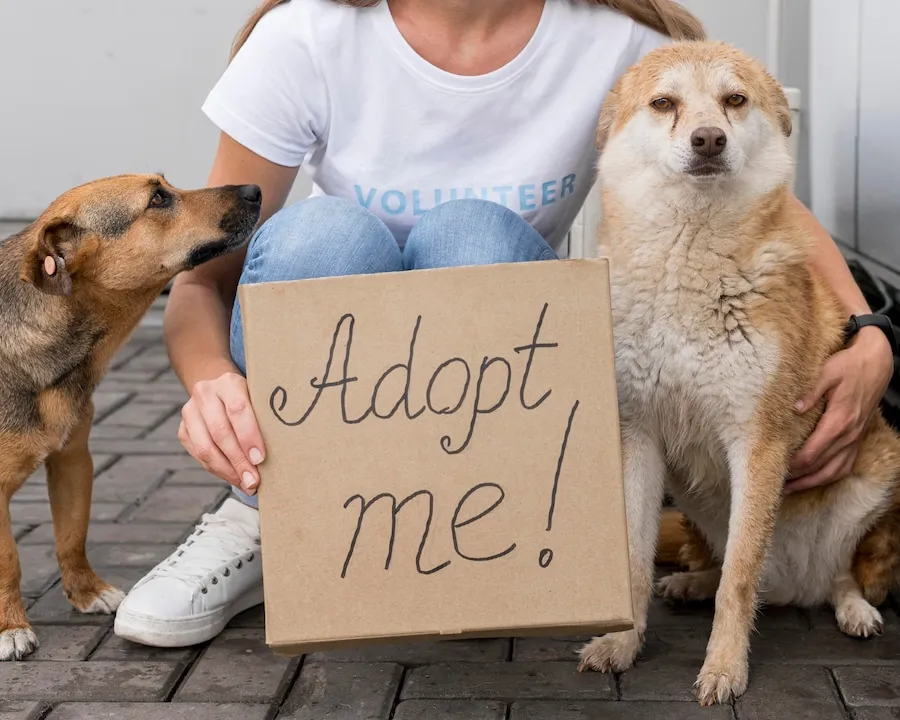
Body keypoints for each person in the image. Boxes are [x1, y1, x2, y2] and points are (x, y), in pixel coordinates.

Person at [113, 0, 895, 648]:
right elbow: (202, 278)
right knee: (328, 234)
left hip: (489, 377)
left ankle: (476, 531)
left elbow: (757, 191)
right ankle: (269, 517)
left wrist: (870, 333)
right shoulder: (308, 35)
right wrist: (212, 385)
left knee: (471, 234)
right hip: (336, 371)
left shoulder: (625, 44)